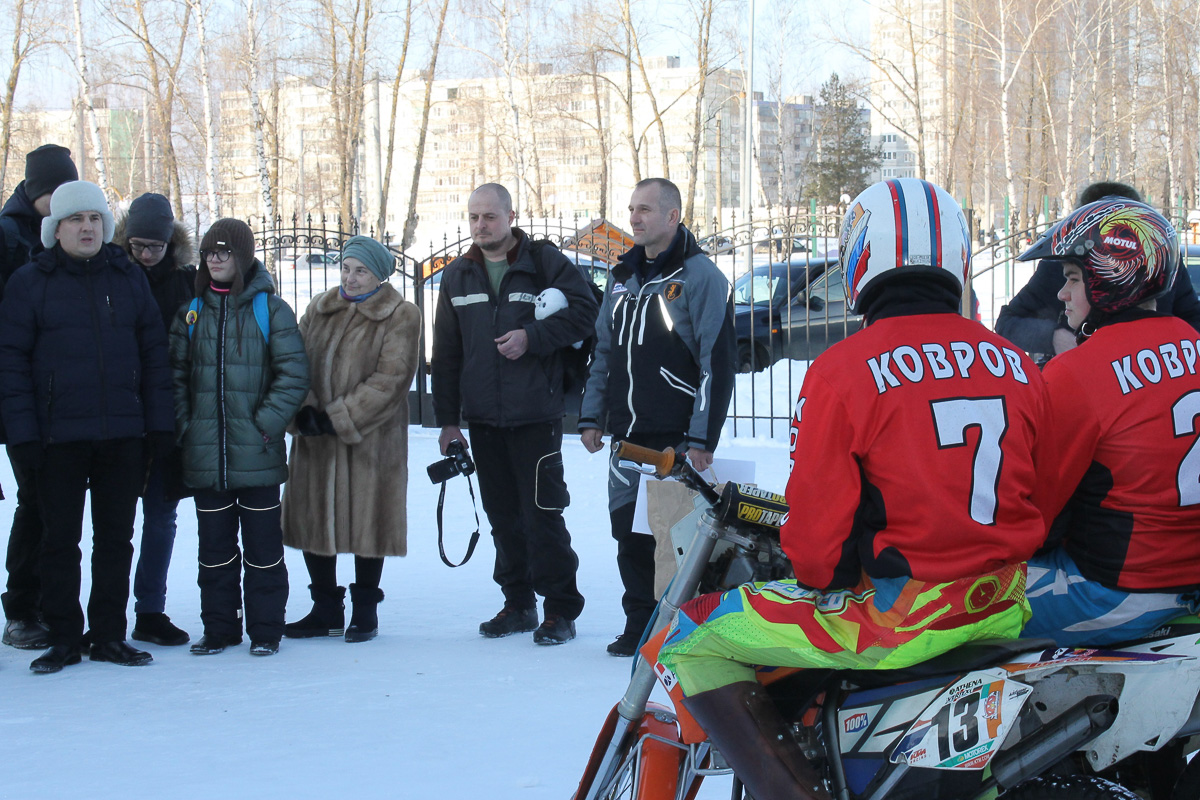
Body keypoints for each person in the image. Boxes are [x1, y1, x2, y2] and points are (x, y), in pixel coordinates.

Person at [656, 178, 1048, 800]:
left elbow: (816, 553)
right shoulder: (1018, 365)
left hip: (900, 619)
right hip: (1001, 604)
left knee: (687, 635)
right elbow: (1039, 496)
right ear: (956, 255)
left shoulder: (842, 371)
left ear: (860, 257)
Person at [0, 180, 175, 674]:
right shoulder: (30, 283)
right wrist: (24, 435)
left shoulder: (128, 278)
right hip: (57, 438)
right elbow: (11, 365)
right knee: (59, 541)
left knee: (116, 540)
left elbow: (153, 357)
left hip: (122, 434)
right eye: (76, 219)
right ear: (56, 229)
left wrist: (158, 427)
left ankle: (107, 635)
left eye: (95, 219)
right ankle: (63, 637)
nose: (87, 227)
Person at [1015, 199, 1200, 646]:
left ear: (1108, 281)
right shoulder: (1193, 341)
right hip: (1186, 578)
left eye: (1074, 279)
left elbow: (1035, 515)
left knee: (946, 605)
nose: (1062, 295)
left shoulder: (1079, 371)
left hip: (1119, 592)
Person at [431, 183, 597, 646]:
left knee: (543, 515)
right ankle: (519, 603)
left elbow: (587, 314)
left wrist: (534, 337)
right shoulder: (458, 276)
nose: (481, 226)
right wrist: (448, 421)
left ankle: (560, 609)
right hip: (483, 420)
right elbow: (445, 354)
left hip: (535, 417)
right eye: (474, 218)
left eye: (490, 216)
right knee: (502, 516)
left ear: (510, 216)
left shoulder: (543, 263)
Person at [578, 177, 736, 657]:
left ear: (673, 216)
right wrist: (591, 417)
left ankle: (676, 630)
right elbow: (603, 349)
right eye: (631, 209)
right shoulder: (623, 277)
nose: (635, 218)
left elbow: (717, 362)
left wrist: (702, 436)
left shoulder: (701, 277)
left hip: (676, 437)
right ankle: (638, 624)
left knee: (673, 539)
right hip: (626, 436)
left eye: (645, 209)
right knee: (627, 531)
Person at [169, 218, 309, 657]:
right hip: (205, 455)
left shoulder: (270, 309)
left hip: (258, 454)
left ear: (243, 257)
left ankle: (266, 630)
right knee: (214, 551)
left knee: (264, 551)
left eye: (224, 252)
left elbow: (293, 374)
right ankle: (220, 628)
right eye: (210, 252)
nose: (215, 259)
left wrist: (264, 424)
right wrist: (187, 425)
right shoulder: (191, 312)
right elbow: (174, 376)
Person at [282, 235, 421, 643]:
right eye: (346, 268)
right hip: (315, 437)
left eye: (361, 270)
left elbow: (391, 379)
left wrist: (339, 416)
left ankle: (365, 611)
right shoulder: (320, 308)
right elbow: (294, 360)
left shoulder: (401, 314)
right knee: (313, 517)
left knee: (369, 520)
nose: (351, 277)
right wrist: (305, 410)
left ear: (379, 274)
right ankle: (324, 607)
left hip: (371, 439)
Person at [0, 144, 79, 650]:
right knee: (36, 502)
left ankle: (49, 605)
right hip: (20, 396)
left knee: (55, 504)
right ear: (35, 193)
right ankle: (22, 608)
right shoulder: (9, 239)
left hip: (61, 396)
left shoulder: (66, 231)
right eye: (54, 192)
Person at [114, 192, 197, 647]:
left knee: (161, 518)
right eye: (138, 246)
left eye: (155, 247)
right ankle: (107, 613)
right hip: (120, 416)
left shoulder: (186, 284)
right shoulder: (113, 274)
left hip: (169, 416)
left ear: (171, 245)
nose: (146, 255)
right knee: (115, 522)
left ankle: (150, 610)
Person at [995, 181, 1200, 360]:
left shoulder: (1158, 267)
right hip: (1082, 379)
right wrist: (1054, 337)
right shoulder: (1058, 267)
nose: (1064, 293)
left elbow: (1193, 320)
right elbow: (1008, 322)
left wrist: (1161, 346)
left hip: (1151, 377)